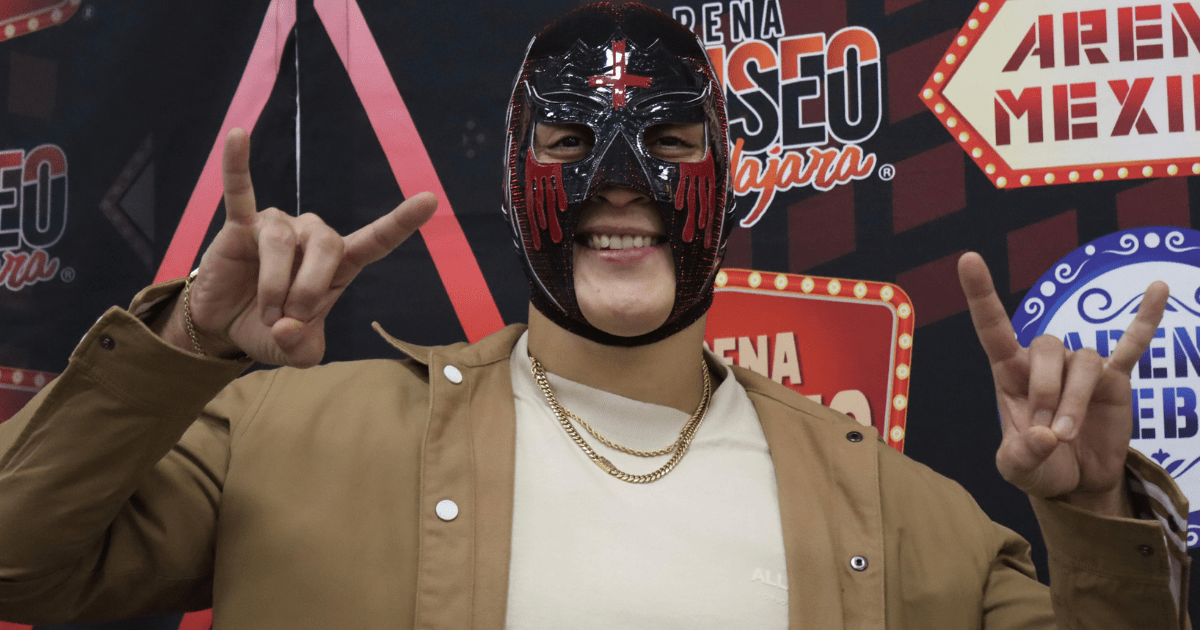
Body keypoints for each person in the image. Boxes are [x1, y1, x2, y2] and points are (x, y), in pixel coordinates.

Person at [0, 3, 1189, 629]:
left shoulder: (907, 519)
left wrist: (1093, 515)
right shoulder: (283, 438)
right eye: (573, 144)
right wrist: (184, 348)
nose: (623, 183)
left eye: (669, 142)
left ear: (730, 181)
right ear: (514, 181)